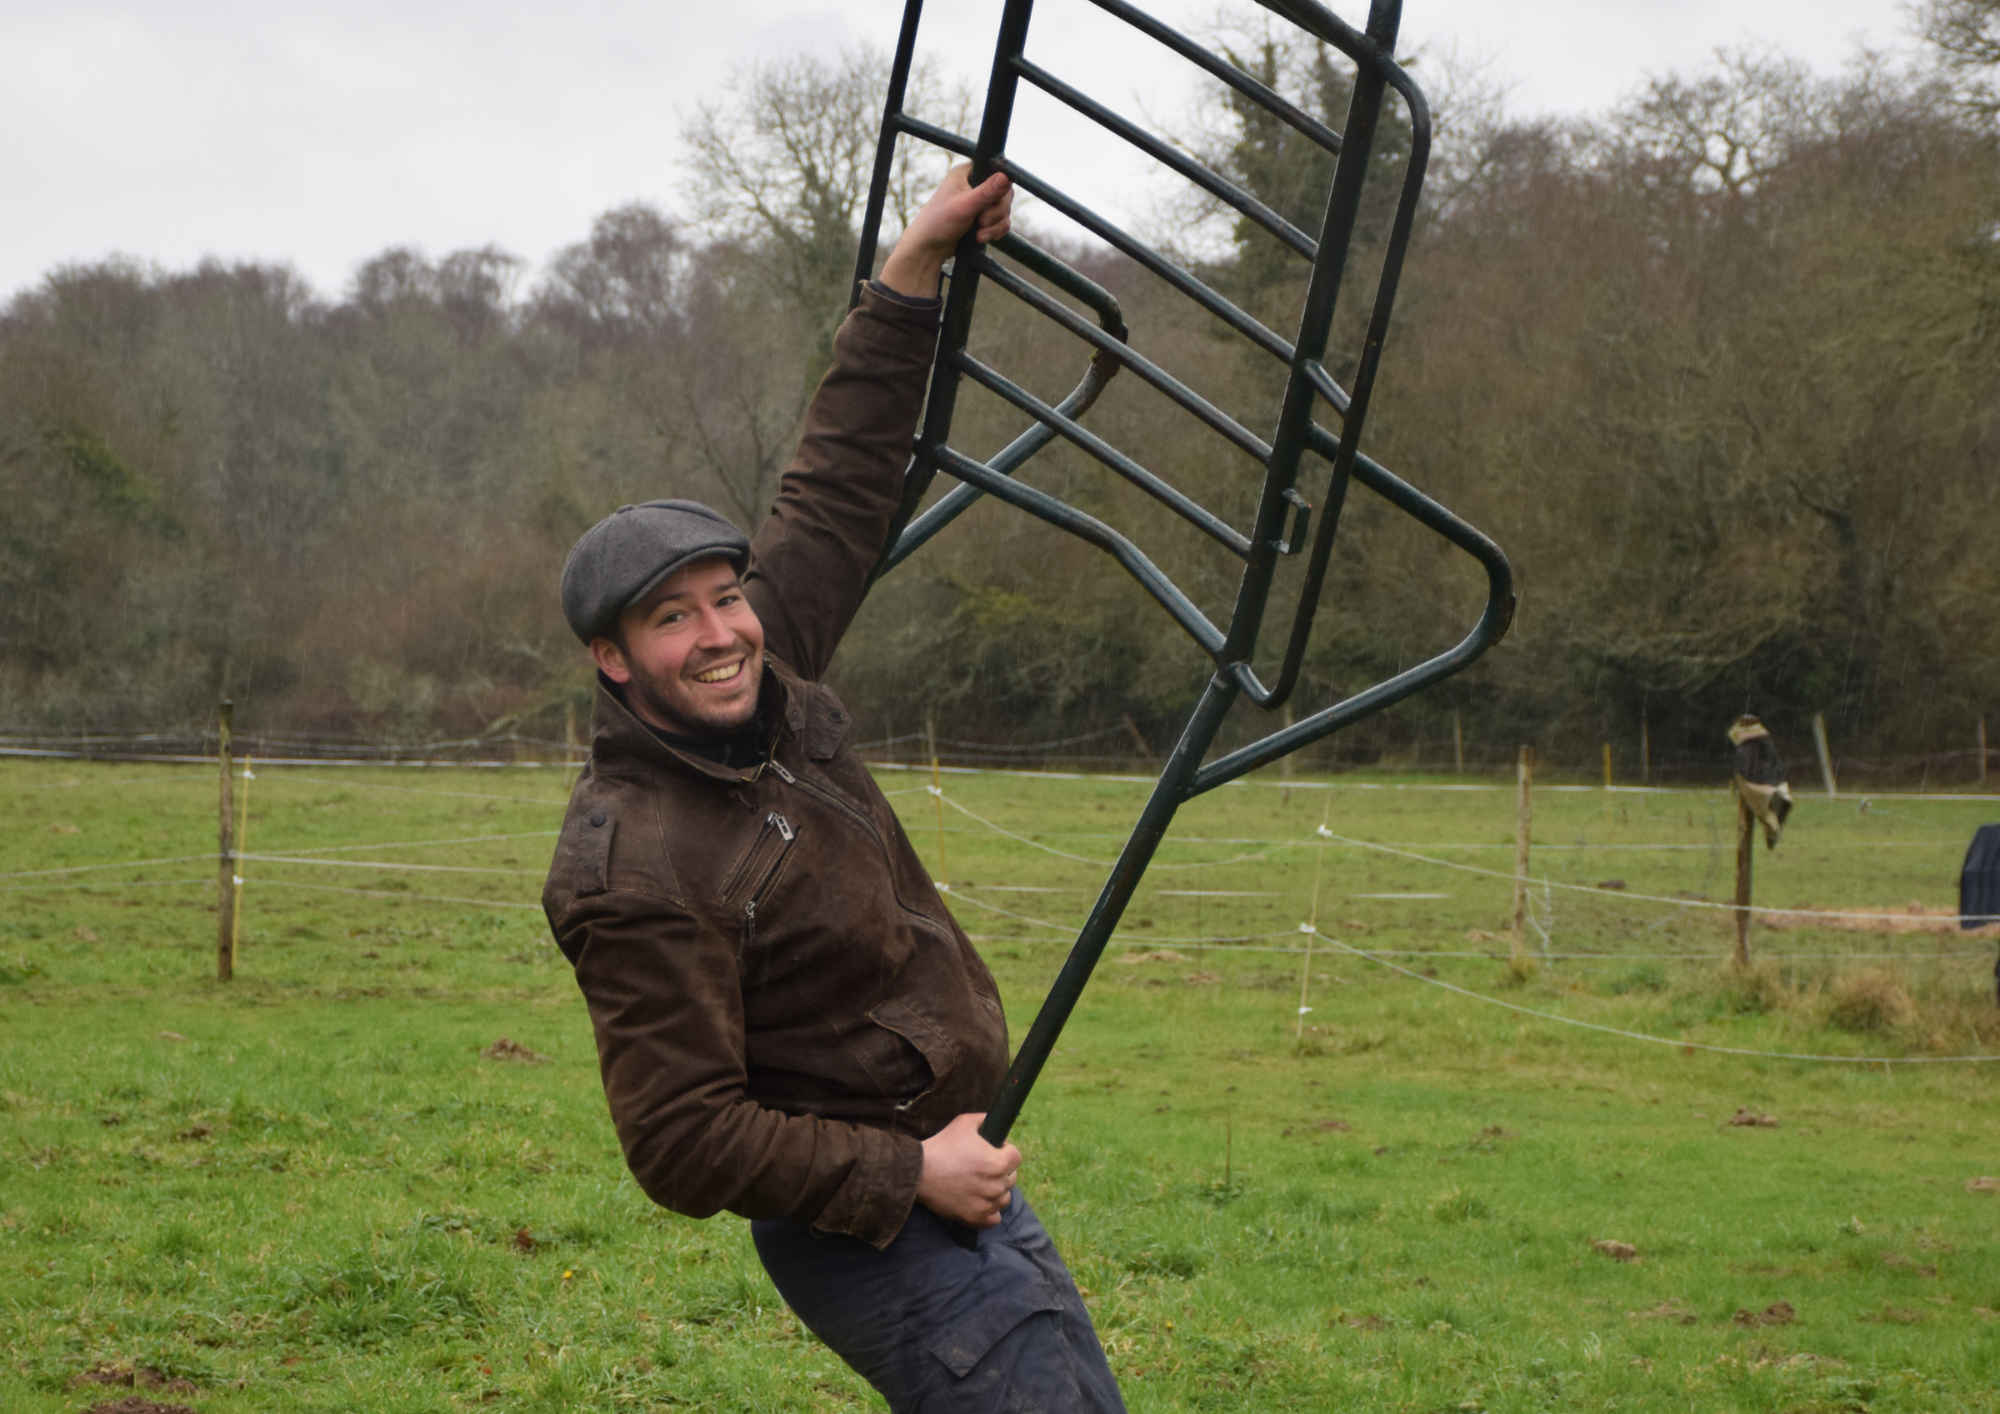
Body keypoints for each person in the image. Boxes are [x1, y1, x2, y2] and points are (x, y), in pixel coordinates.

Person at [541, 165, 1125, 1413]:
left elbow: (839, 480)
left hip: (963, 1169)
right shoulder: (633, 862)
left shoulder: (767, 674)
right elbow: (680, 1138)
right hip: (872, 1225)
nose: (718, 633)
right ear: (611, 657)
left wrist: (912, 267)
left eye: (724, 595)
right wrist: (908, 1173)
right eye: (670, 617)